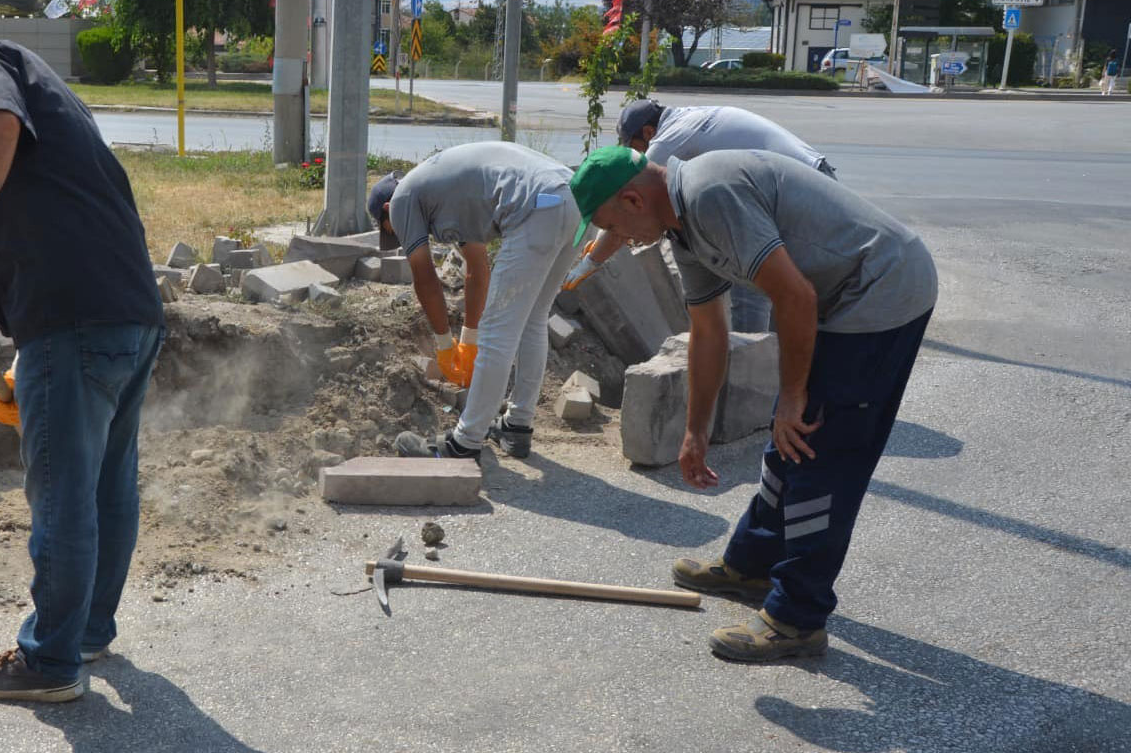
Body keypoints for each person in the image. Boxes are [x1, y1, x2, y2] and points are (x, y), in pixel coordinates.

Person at [573, 146, 937, 662]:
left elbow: (796, 299)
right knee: (789, 431)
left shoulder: (709, 196)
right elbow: (708, 331)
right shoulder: (681, 226)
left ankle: (797, 618)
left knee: (817, 445)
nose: (622, 241)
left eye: (615, 227)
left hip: (882, 289)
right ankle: (753, 563)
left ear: (633, 199)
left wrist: (791, 398)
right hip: (836, 294)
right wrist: (695, 430)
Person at [0, 14, 165, 702]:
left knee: (62, 494)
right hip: (126, 312)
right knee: (108, 485)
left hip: (76, 320)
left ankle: (50, 662)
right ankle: (85, 630)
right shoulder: (44, 82)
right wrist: (34, 364)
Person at [368, 141, 587, 461]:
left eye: (393, 231)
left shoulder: (403, 199)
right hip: (575, 200)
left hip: (538, 205)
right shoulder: (449, 192)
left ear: (387, 210)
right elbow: (477, 268)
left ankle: (465, 442)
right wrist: (467, 340)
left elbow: (424, 277)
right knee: (534, 317)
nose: (401, 236)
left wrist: (444, 344)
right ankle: (517, 425)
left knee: (498, 329)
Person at [562, 99, 835, 332]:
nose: (640, 155)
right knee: (763, 282)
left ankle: (750, 373)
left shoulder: (667, 142)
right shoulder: (688, 119)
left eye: (635, 146)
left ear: (648, 131)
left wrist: (590, 263)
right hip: (809, 180)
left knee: (752, 283)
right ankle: (758, 366)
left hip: (801, 195)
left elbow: (633, 204)